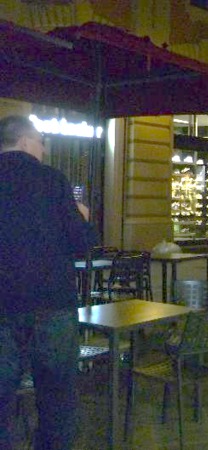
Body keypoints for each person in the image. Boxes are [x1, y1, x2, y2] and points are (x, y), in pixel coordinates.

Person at [0, 115, 98, 449]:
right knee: (57, 401)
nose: (43, 149)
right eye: (41, 142)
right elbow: (81, 243)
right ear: (25, 141)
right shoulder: (53, 180)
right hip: (52, 306)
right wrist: (83, 217)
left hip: (2, 307)